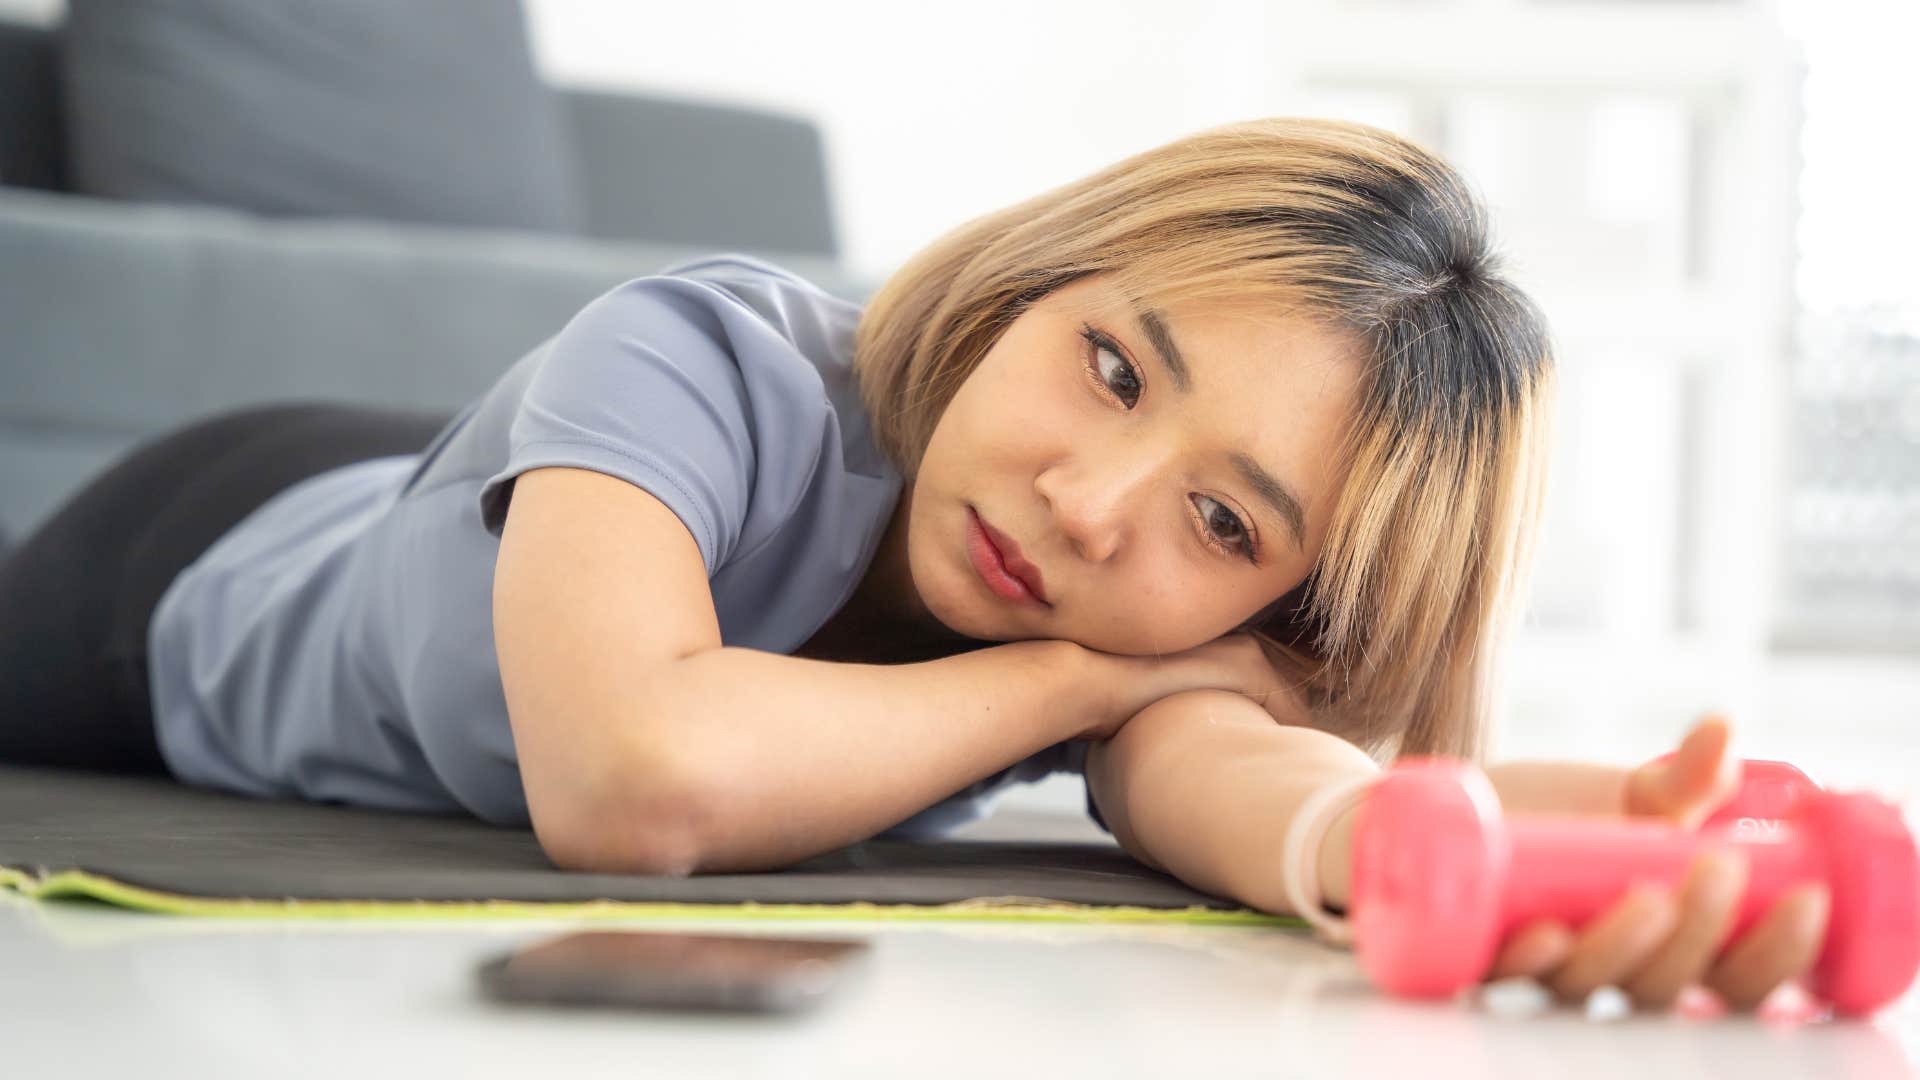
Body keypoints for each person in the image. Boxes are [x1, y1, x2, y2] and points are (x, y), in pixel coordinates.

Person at [0, 118, 1827, 1015]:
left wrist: (1531, 859)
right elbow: (640, 782)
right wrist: (1090, 679)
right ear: (1046, 272)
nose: (1093, 507)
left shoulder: (1146, 637)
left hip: (490, 523)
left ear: (1278, 605)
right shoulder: (697, 349)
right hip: (190, 562)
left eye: (1225, 525)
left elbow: (1275, 789)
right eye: (1113, 365)